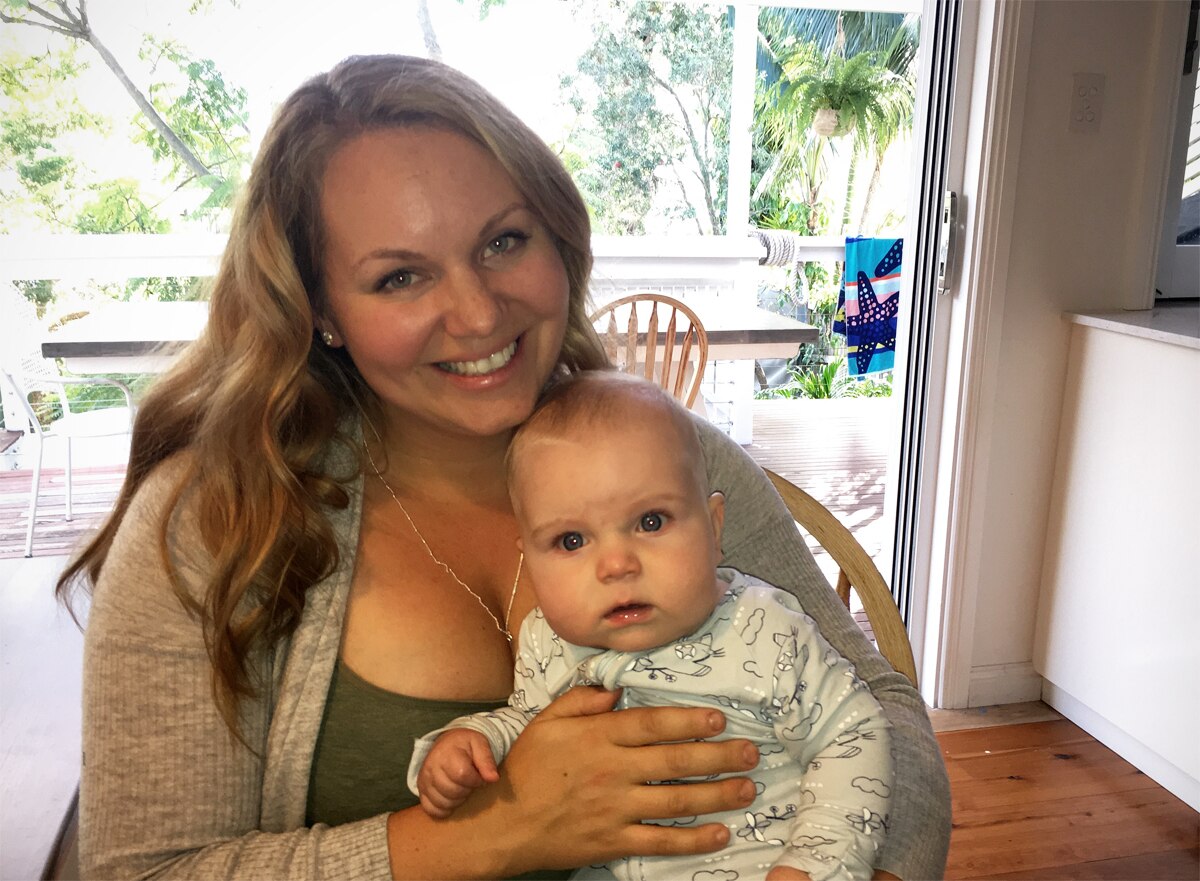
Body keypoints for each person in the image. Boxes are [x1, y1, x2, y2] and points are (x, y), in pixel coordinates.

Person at [58, 54, 950, 880]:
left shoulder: (680, 453)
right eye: (400, 277)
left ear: (557, 237)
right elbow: (141, 871)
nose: (480, 313)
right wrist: (497, 829)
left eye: (503, 241)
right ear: (318, 307)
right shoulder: (215, 522)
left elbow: (879, 712)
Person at [411, 371, 894, 881]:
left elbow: (853, 734)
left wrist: (815, 865)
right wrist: (475, 740)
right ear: (529, 560)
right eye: (572, 541)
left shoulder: (764, 629)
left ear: (713, 528)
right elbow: (529, 725)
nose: (616, 565)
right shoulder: (548, 642)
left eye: (651, 522)